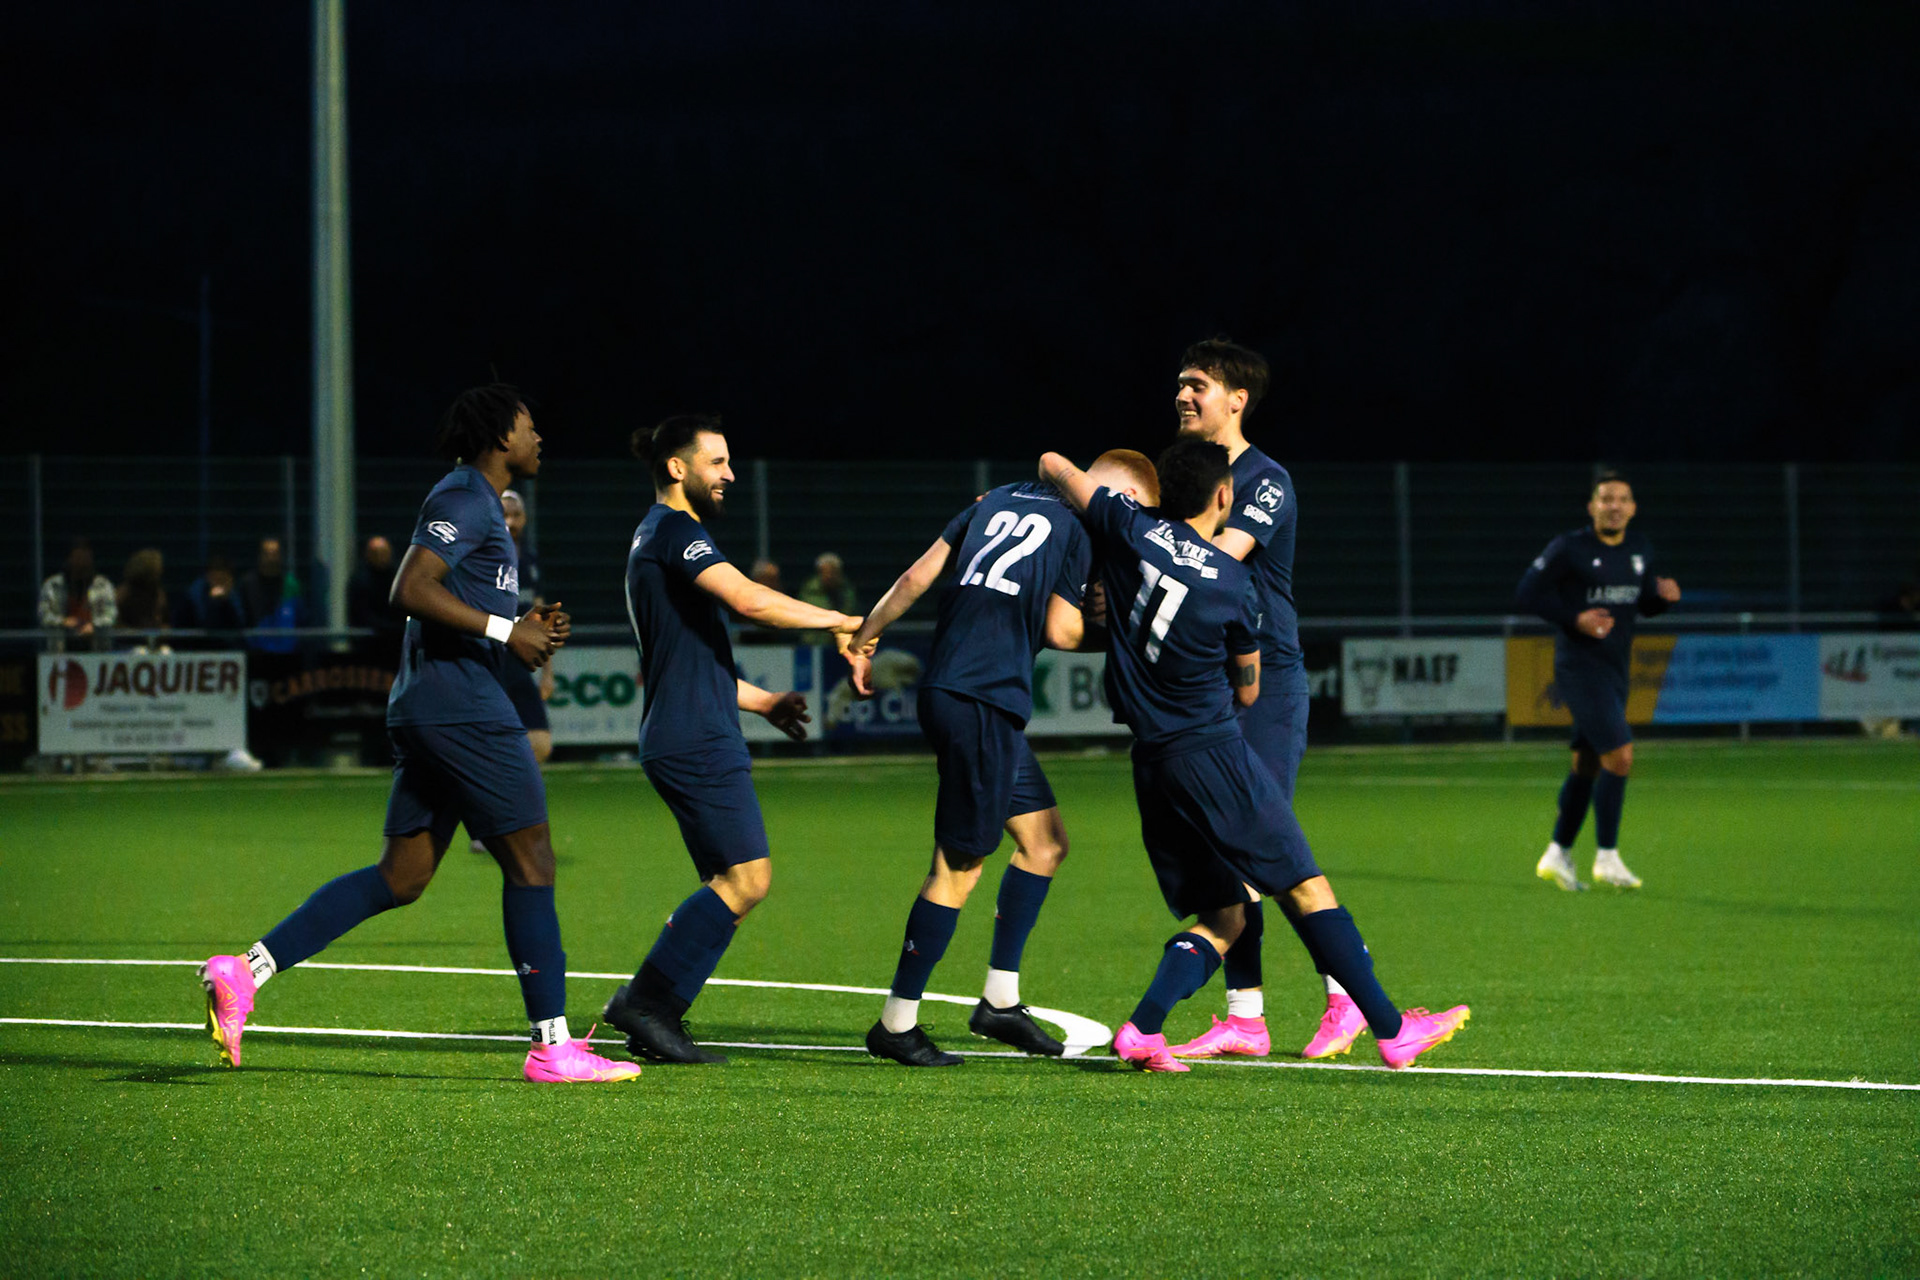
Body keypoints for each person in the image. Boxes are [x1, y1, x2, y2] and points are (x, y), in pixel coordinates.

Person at [197, 384, 640, 1085]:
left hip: (434, 703)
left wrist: (523, 625)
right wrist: (504, 630)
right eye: (529, 427)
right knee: (532, 861)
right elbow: (409, 587)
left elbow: (451, 600)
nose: (538, 437)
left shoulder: (478, 503)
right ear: (499, 439)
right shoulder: (465, 496)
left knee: (401, 877)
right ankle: (553, 1047)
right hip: (458, 706)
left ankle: (244, 971)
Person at [1040, 439, 1469, 1073]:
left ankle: (1142, 1029)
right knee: (1305, 885)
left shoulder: (1125, 529)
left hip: (1152, 763)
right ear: (1223, 496)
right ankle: (1391, 1027)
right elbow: (1249, 687)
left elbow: (1053, 463)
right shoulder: (1233, 583)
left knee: (1225, 912)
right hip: (1212, 754)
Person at [846, 450, 1160, 1067]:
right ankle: (897, 1022)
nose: (1128, 523)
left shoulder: (992, 499)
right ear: (1106, 490)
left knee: (1045, 842)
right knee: (958, 867)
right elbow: (1065, 632)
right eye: (1131, 508)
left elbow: (917, 575)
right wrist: (1120, 630)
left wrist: (866, 635)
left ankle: (1000, 1002)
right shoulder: (1079, 527)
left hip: (960, 693)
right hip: (981, 699)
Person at [599, 414, 864, 1065]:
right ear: (676, 468)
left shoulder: (654, 537)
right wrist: (841, 619)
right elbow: (748, 600)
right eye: (716, 462)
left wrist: (762, 700)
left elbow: (689, 660)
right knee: (748, 879)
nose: (730, 475)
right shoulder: (673, 531)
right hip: (693, 738)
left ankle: (655, 1013)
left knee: (729, 888)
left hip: (688, 728)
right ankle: (646, 1004)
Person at [1159, 338, 1341, 1063]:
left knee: (1263, 845)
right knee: (1219, 851)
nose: (1181, 394)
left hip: (1266, 682)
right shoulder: (1186, 477)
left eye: (1196, 383)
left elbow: (1218, 557)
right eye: (1178, 382)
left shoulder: (1264, 478)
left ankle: (1346, 1000)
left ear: (1237, 398)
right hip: (1209, 686)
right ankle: (1246, 1017)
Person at [1516, 471, 1681, 891]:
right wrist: (1575, 619)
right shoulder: (1569, 548)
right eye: (1605, 498)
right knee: (1620, 756)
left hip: (1614, 669)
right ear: (1592, 507)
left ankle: (1557, 853)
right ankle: (1607, 857)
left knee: (1587, 764)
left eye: (1622, 499)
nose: (1614, 506)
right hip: (1579, 668)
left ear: (1632, 508)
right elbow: (1527, 593)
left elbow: (1642, 604)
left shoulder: (1639, 549)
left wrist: (1661, 598)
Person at [37, 538, 117, 649]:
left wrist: (94, 626)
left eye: (85, 560)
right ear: (69, 560)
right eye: (78, 559)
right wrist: (63, 622)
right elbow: (43, 615)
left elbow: (111, 615)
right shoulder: (52, 585)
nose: (82, 564)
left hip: (96, 650)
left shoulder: (103, 585)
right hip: (60, 651)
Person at [347, 535, 405, 662]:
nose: (380, 557)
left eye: (383, 552)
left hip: (397, 647)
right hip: (368, 645)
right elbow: (361, 613)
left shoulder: (399, 578)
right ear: (367, 555)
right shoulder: (360, 580)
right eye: (376, 553)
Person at [799, 552, 858, 645]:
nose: (830, 576)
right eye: (826, 572)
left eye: (834, 572)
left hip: (844, 642)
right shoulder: (809, 591)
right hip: (814, 644)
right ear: (819, 572)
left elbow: (854, 612)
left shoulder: (847, 591)